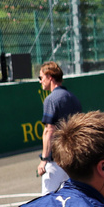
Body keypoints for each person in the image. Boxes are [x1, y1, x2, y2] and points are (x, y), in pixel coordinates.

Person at [36, 62, 82, 195]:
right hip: (73, 159)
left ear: (50, 77)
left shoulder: (51, 100)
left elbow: (49, 130)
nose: (40, 81)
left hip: (56, 160)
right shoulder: (73, 98)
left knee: (48, 199)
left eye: (41, 77)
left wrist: (44, 160)